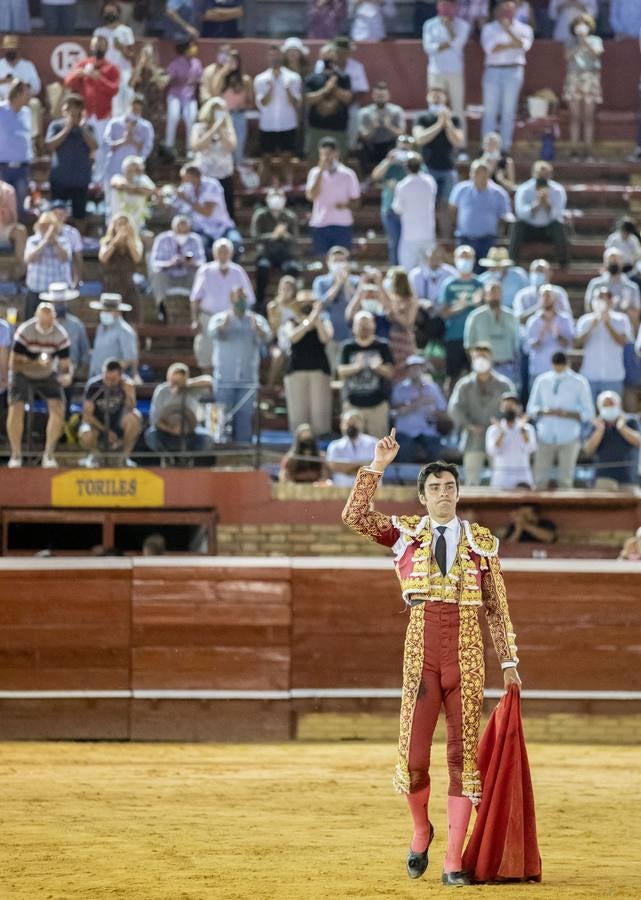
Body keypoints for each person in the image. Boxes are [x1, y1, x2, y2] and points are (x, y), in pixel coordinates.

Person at [342, 453, 520, 886]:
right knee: (415, 754)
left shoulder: (482, 542)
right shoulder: (406, 534)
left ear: (458, 493)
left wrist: (510, 662)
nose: (444, 493)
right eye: (436, 488)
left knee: (463, 758)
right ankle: (422, 829)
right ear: (422, 497)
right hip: (421, 648)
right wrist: (377, 465)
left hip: (469, 650)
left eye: (450, 487)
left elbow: (496, 608)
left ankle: (453, 860)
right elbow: (354, 515)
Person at [6, 302, 72, 469]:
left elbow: (65, 365)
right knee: (16, 407)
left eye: (49, 321)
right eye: (43, 321)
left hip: (47, 374)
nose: (46, 325)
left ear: (54, 319)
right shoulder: (24, 332)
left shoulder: (60, 335)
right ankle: (16, 454)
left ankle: (48, 454)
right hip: (23, 375)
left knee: (58, 407)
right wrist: (35, 363)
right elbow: (14, 364)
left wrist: (67, 376)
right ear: (36, 317)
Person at [208, 290, 271, 444]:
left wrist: (258, 329)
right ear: (230, 300)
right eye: (237, 299)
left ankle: (243, 453)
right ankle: (218, 454)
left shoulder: (256, 319)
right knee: (220, 419)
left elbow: (268, 337)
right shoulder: (220, 317)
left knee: (245, 417)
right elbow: (212, 333)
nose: (240, 302)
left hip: (248, 380)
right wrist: (224, 325)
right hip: (224, 378)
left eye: (243, 298)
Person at [448, 342, 515, 484]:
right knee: (471, 479)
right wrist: (468, 425)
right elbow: (454, 409)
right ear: (472, 359)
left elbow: (513, 408)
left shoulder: (504, 384)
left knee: (502, 480)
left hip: (499, 439)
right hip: (473, 438)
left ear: (491, 358)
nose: (481, 359)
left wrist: (500, 426)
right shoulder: (464, 385)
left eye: (484, 356)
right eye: (477, 356)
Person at [526, 350, 594, 489]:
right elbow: (531, 409)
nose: (559, 370)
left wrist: (567, 414)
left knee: (566, 480)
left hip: (569, 436)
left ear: (567, 364)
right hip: (545, 435)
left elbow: (589, 413)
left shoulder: (579, 382)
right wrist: (546, 411)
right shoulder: (542, 381)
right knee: (539, 479)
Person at [190, 237, 255, 371]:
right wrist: (195, 320)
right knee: (206, 355)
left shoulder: (238, 271)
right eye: (220, 251)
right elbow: (195, 298)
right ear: (214, 253)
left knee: (229, 356)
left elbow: (249, 299)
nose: (223, 255)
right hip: (208, 317)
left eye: (226, 252)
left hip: (231, 319)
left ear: (231, 253)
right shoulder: (205, 271)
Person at [64, 35, 119, 183]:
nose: (97, 48)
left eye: (101, 45)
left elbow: (114, 89)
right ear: (91, 47)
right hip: (85, 114)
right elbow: (68, 82)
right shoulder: (83, 64)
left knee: (102, 148)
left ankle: (100, 182)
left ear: (106, 48)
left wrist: (98, 78)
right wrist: (79, 74)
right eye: (95, 45)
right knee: (84, 147)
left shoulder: (111, 68)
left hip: (103, 115)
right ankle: (86, 179)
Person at [480, 0, 534, 151]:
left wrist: (508, 31)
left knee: (508, 112)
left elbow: (523, 46)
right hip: (493, 70)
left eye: (510, 9)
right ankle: (486, 147)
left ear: (516, 10)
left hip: (513, 70)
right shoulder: (489, 28)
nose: (506, 12)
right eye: (503, 9)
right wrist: (512, 44)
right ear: (497, 11)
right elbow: (491, 49)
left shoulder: (525, 29)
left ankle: (504, 148)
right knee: (490, 111)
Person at [412, 86, 464, 237]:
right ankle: (427, 234)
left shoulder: (453, 119)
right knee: (426, 204)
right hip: (428, 168)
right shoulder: (422, 117)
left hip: (448, 168)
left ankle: (446, 237)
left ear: (445, 99)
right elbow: (420, 139)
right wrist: (438, 124)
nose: (436, 98)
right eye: (433, 95)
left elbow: (458, 141)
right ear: (428, 98)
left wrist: (447, 124)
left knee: (447, 206)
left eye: (439, 95)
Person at [281, 289, 334, 437]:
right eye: (304, 303)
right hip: (296, 370)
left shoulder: (324, 320)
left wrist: (316, 319)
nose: (307, 306)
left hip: (319, 370)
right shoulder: (290, 322)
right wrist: (310, 320)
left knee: (320, 415)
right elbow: (294, 337)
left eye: (310, 303)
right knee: (298, 416)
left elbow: (325, 338)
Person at [338, 310, 394, 437]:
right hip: (353, 404)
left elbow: (390, 373)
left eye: (367, 324)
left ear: (373, 325)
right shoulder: (347, 347)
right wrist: (356, 367)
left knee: (379, 445)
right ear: (354, 327)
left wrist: (378, 368)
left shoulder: (383, 346)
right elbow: (341, 372)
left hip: (377, 404)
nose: (364, 327)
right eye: (360, 324)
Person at [422, 2, 470, 148]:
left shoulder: (462, 25)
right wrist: (449, 43)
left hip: (455, 71)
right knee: (435, 109)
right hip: (435, 71)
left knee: (457, 109)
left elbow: (458, 45)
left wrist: (449, 30)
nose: (447, 9)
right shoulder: (429, 24)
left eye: (450, 5)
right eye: (444, 5)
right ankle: (435, 144)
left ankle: (461, 146)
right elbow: (429, 49)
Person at [79, 357, 142, 467]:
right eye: (106, 378)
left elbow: (131, 408)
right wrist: (105, 430)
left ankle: (124, 458)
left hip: (118, 423)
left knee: (135, 417)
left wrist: (129, 393)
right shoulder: (94, 386)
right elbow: (87, 415)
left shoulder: (126, 384)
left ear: (120, 376)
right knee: (85, 433)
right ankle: (95, 456)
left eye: (113, 380)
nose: (109, 382)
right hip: (98, 425)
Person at [436, 244, 483, 387]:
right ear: (455, 259)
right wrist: (461, 306)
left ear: (474, 260)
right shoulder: (449, 284)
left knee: (477, 375)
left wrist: (477, 304)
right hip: (454, 336)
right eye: (462, 257)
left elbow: (484, 311)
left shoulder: (479, 283)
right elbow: (443, 313)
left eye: (468, 257)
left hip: (475, 338)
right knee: (452, 377)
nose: (465, 260)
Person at [45, 94, 96, 224]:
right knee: (56, 214)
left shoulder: (88, 128)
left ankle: (77, 241)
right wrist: (66, 129)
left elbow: (94, 146)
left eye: (73, 109)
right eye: (67, 108)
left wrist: (81, 127)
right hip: (60, 178)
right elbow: (50, 145)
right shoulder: (56, 126)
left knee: (80, 216)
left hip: (81, 179)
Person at [575, 286, 634, 400]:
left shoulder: (621, 319)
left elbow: (622, 342)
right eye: (600, 298)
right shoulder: (585, 320)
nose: (603, 301)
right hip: (589, 375)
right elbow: (577, 343)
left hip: (613, 376)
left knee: (612, 415)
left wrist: (607, 324)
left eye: (606, 298)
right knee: (590, 414)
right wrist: (592, 326)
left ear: (612, 302)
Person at [448, 160, 511, 265]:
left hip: (487, 239)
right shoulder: (460, 189)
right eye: (476, 172)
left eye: (483, 172)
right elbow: (452, 210)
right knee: (464, 269)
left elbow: (504, 216)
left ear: (488, 173)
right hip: (464, 238)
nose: (479, 175)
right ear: (471, 173)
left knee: (484, 270)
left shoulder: (499, 193)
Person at [305, 137, 361, 257]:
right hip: (320, 223)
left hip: (342, 224)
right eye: (323, 154)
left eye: (329, 153)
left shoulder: (348, 174)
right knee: (321, 259)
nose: (326, 157)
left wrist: (345, 205)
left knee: (342, 259)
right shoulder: (314, 173)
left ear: (336, 153)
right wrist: (321, 171)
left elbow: (356, 201)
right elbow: (311, 196)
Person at [145, 362, 216, 455]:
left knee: (207, 438)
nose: (176, 384)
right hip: (166, 432)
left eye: (180, 380)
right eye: (174, 380)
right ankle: (168, 458)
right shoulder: (162, 391)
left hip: (191, 432)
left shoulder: (193, 388)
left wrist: (187, 385)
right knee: (151, 435)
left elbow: (210, 381)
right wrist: (172, 430)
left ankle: (190, 459)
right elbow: (154, 419)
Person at [509, 161, 569, 268]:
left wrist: (547, 205)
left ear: (550, 175)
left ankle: (564, 264)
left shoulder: (557, 190)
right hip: (529, 229)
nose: (542, 177)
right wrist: (536, 206)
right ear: (533, 173)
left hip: (548, 230)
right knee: (518, 225)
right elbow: (520, 213)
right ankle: (513, 263)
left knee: (559, 225)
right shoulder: (524, 189)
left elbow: (557, 215)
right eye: (539, 174)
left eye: (545, 174)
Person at [174, 164, 242, 258]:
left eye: (185, 178)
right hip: (202, 230)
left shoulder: (212, 185)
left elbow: (207, 212)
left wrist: (186, 199)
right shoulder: (186, 188)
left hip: (223, 227)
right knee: (198, 249)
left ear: (194, 176)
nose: (183, 181)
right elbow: (174, 205)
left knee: (235, 244)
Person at [250, 188, 300, 312]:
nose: (276, 199)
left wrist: (284, 235)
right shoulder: (260, 215)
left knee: (292, 268)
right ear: (267, 199)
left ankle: (291, 301)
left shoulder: (290, 216)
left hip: (285, 255)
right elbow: (255, 237)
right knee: (262, 268)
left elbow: (294, 239)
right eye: (273, 196)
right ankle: (260, 302)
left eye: (279, 196)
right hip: (266, 254)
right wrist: (273, 236)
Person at [149, 215, 205, 324]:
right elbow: (154, 263)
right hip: (168, 276)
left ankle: (197, 311)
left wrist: (190, 263)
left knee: (200, 275)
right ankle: (161, 307)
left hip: (188, 276)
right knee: (157, 274)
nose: (182, 233)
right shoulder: (162, 239)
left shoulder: (195, 239)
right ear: (173, 228)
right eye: (179, 230)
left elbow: (202, 263)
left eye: (185, 230)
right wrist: (169, 263)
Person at [463, 281, 521, 388]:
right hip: (484, 367)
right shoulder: (475, 317)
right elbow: (469, 345)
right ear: (485, 295)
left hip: (507, 367)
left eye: (497, 293)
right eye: (491, 293)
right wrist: (478, 365)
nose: (494, 296)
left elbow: (516, 345)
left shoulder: (511, 316)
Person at [202, 47, 254, 166]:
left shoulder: (245, 80)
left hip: (239, 115)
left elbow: (251, 102)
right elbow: (214, 93)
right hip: (223, 117)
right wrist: (223, 71)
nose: (231, 63)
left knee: (238, 145)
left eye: (234, 61)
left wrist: (242, 106)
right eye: (229, 61)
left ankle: (237, 169)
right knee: (222, 146)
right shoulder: (221, 77)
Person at [371, 133, 417, 265]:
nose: (404, 153)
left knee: (408, 241)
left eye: (407, 150)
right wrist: (388, 161)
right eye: (402, 149)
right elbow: (375, 176)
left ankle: (407, 267)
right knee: (395, 241)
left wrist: (410, 163)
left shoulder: (415, 164)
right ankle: (395, 269)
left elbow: (421, 180)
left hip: (409, 210)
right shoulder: (390, 163)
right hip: (390, 209)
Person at [312, 245, 360, 372]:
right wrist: (337, 284)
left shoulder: (355, 281)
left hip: (351, 334)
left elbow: (358, 303)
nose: (339, 264)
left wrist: (346, 283)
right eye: (335, 261)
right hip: (330, 334)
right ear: (328, 262)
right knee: (331, 371)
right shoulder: (320, 282)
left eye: (342, 260)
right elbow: (320, 304)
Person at [391, 354, 447, 462]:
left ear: (423, 369)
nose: (415, 370)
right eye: (412, 367)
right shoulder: (399, 389)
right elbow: (395, 411)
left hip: (427, 431)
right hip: (405, 432)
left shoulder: (432, 388)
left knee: (435, 448)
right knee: (404, 450)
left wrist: (434, 413)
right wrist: (417, 403)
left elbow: (442, 410)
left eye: (418, 367)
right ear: (407, 370)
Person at [103, 95, 154, 211]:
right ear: (127, 107)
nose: (135, 112)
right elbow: (106, 147)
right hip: (114, 169)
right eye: (133, 108)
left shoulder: (146, 127)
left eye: (138, 110)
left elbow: (146, 150)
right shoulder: (114, 123)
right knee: (112, 205)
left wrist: (133, 139)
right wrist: (124, 140)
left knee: (134, 206)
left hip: (134, 175)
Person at [563, 12, 603, 162]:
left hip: (590, 78)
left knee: (588, 117)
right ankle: (574, 150)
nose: (581, 27)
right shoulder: (570, 41)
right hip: (574, 77)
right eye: (578, 24)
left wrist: (585, 41)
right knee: (574, 116)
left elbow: (597, 53)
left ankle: (588, 151)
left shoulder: (595, 40)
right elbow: (567, 56)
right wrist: (578, 43)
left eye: (584, 24)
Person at [253, 43, 302, 163]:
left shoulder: (293, 77)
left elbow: (295, 103)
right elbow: (262, 103)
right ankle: (267, 182)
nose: (275, 59)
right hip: (268, 125)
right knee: (266, 159)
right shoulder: (260, 79)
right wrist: (270, 88)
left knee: (287, 159)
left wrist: (287, 89)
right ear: (268, 57)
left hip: (287, 124)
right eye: (272, 55)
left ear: (282, 57)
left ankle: (287, 182)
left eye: (277, 55)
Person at [190, 97, 237, 218]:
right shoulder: (198, 128)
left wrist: (221, 129)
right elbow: (197, 146)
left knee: (226, 204)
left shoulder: (228, 129)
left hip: (224, 173)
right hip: (205, 173)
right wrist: (213, 129)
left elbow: (231, 147)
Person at [582, 389, 640, 488]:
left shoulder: (630, 421)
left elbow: (638, 441)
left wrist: (622, 428)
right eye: (606, 405)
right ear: (600, 408)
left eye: (612, 404)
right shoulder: (596, 425)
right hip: (603, 477)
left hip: (629, 477)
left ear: (619, 405)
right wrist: (600, 430)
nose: (609, 407)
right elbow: (588, 450)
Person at [304, 44, 353, 159]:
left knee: (340, 161)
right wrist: (326, 90)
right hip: (316, 128)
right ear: (321, 57)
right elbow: (308, 99)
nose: (329, 61)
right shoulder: (312, 78)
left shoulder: (344, 78)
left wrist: (335, 88)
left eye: (332, 56)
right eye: (327, 57)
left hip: (338, 128)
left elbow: (347, 98)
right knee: (313, 159)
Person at [392, 154, 438, 271]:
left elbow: (397, 208)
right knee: (427, 268)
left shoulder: (402, 185)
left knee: (408, 269)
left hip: (410, 235)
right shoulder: (430, 181)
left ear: (406, 168)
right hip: (427, 233)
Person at [524, 283, 575, 388]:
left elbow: (570, 345)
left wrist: (558, 336)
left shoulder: (565, 319)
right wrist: (539, 338)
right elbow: (526, 348)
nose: (546, 299)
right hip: (538, 371)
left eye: (549, 295)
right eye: (544, 296)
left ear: (555, 298)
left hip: (560, 371)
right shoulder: (533, 321)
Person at [24, 212, 73, 319]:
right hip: (36, 291)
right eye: (44, 225)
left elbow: (65, 258)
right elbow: (29, 259)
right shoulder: (33, 241)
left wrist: (55, 242)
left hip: (57, 296)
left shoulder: (63, 241)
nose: (47, 228)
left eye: (50, 225)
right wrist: (45, 242)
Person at [485, 390, 537, 489]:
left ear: (518, 408)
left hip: (523, 475)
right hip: (501, 476)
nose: (509, 409)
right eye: (506, 407)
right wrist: (502, 433)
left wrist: (522, 430)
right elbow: (492, 451)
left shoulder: (528, 428)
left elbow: (531, 448)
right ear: (501, 408)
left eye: (512, 406)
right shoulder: (493, 430)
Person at [40, 282, 90, 382]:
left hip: (71, 372)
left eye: (61, 302)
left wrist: (80, 371)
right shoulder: (42, 325)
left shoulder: (76, 325)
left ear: (66, 303)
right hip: (48, 372)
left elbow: (85, 351)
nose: (59, 305)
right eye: (56, 302)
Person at [98, 214, 144, 323]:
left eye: (125, 224)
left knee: (132, 322)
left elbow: (137, 258)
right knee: (109, 321)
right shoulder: (106, 242)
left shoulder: (136, 242)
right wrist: (115, 242)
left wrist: (128, 241)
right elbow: (103, 258)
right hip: (111, 286)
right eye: (119, 224)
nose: (122, 227)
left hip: (129, 287)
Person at [93, 1, 135, 116]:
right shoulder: (99, 32)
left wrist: (121, 49)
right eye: (106, 12)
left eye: (112, 12)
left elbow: (132, 56)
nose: (109, 14)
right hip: (105, 73)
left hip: (123, 73)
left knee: (124, 106)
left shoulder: (126, 31)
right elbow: (96, 54)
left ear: (118, 13)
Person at [584, 248, 641, 332]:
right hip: (600, 329)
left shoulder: (632, 287)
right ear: (605, 263)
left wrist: (623, 308)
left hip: (623, 331)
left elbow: (637, 313)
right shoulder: (596, 284)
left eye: (616, 260)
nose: (613, 263)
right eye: (610, 261)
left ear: (622, 262)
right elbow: (589, 308)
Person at [163, 38, 202, 159]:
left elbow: (201, 79)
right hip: (175, 94)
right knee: (173, 116)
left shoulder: (197, 63)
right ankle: (169, 146)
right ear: (185, 49)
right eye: (191, 46)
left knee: (190, 118)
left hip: (190, 96)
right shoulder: (175, 63)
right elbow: (168, 78)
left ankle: (190, 149)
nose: (194, 48)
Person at [0, 35, 42, 146]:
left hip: (23, 99)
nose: (10, 51)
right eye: (8, 48)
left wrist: (23, 85)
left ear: (18, 49)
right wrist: (4, 81)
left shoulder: (27, 65)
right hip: (3, 101)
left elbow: (37, 87)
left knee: (35, 104)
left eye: (13, 48)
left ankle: (32, 141)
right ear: (4, 49)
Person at [356, 81, 405, 172]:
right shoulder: (365, 112)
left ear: (388, 96)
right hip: (371, 147)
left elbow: (401, 133)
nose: (380, 98)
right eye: (378, 96)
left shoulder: (396, 111)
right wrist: (373, 127)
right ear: (373, 96)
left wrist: (389, 126)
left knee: (399, 147)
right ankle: (368, 177)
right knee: (361, 148)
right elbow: (363, 136)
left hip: (390, 145)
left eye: (383, 96)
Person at [0, 79, 32, 218]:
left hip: (22, 168)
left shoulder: (27, 112)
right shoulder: (1, 110)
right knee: (2, 206)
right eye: (26, 93)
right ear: (17, 93)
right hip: (3, 167)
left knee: (18, 209)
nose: (28, 96)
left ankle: (17, 238)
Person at [88, 292, 139, 379]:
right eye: (103, 310)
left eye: (108, 310)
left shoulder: (125, 331)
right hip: (96, 377)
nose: (104, 313)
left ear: (117, 312)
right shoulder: (100, 328)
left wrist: (110, 373)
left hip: (115, 380)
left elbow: (129, 359)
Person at [324, 410, 377, 486]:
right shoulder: (335, 445)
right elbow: (334, 466)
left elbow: (376, 466)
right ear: (342, 425)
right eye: (348, 423)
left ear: (362, 424)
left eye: (355, 422)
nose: (352, 425)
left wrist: (347, 467)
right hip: (341, 488)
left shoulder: (373, 443)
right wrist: (362, 465)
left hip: (367, 489)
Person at [513, 258, 572, 325]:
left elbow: (567, 318)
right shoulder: (521, 295)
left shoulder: (559, 293)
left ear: (550, 273)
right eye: (535, 272)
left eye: (541, 272)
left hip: (555, 332)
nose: (538, 275)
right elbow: (518, 320)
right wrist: (540, 306)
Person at [109, 154, 156, 235]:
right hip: (117, 225)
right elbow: (118, 185)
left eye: (137, 170)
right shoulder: (117, 178)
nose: (134, 173)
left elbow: (150, 191)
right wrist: (138, 189)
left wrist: (131, 188)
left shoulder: (144, 180)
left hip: (138, 226)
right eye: (131, 170)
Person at [0, 178, 27, 273]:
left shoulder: (8, 190)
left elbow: (12, 220)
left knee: (20, 230)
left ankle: (21, 271)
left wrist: (3, 205)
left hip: (4, 229)